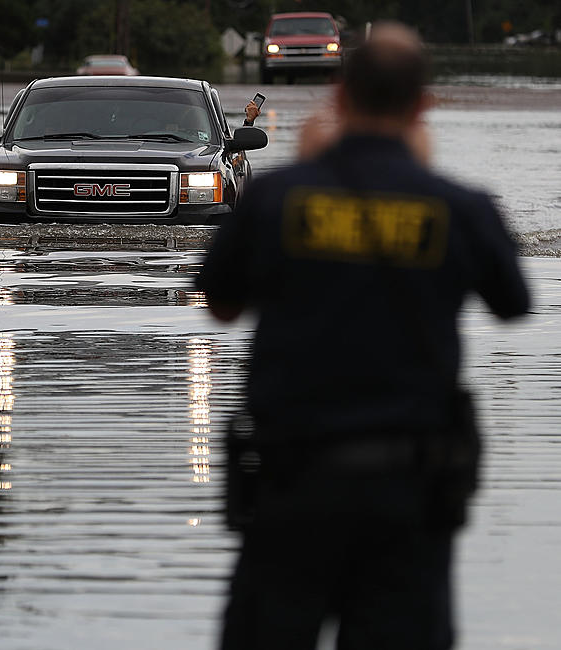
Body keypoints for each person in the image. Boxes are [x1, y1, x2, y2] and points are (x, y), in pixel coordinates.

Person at [196, 23, 529, 650]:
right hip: (409, 496)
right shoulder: (459, 207)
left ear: (339, 94)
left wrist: (310, 173)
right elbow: (514, 304)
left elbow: (219, 303)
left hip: (292, 487)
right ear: (425, 103)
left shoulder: (277, 196)